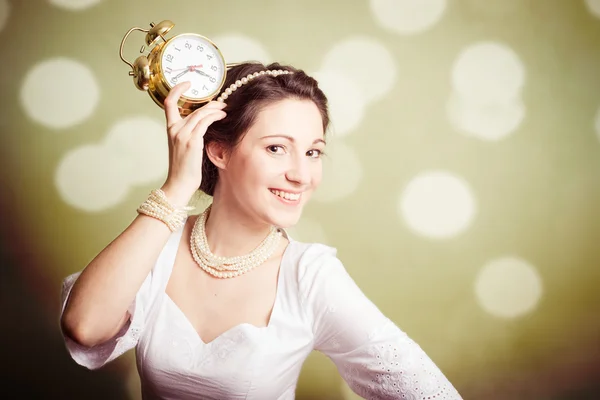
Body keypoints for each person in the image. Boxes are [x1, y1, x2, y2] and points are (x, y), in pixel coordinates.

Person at [60, 61, 463, 400]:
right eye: (276, 148)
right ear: (218, 150)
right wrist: (175, 188)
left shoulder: (310, 277)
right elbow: (86, 326)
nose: (301, 175)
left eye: (313, 152)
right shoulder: (157, 246)